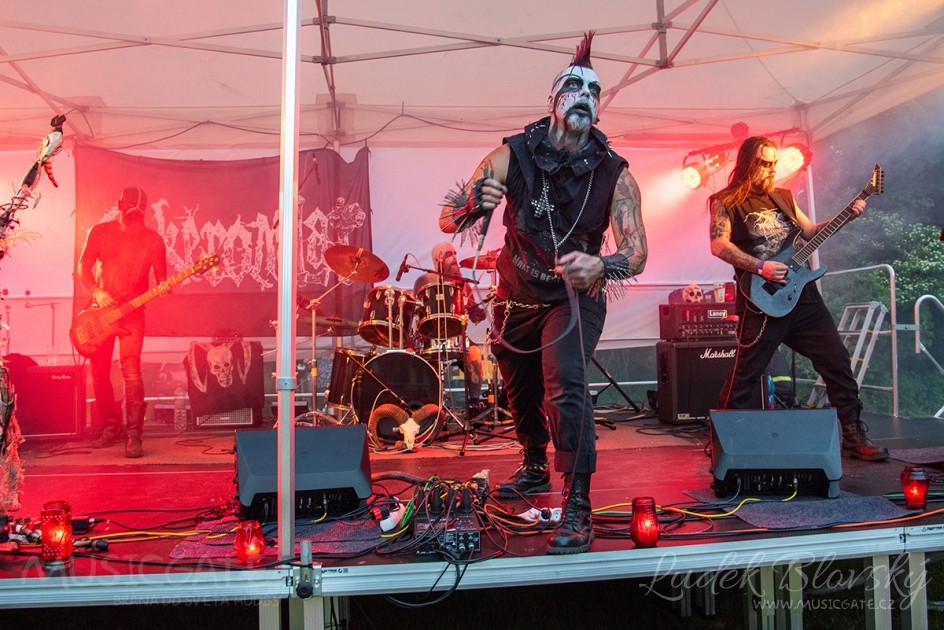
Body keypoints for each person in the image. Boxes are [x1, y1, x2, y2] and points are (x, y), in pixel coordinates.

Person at [438, 32, 648, 554]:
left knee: (566, 383)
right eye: (575, 87)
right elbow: (447, 219)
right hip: (516, 291)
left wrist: (601, 264)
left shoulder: (616, 175)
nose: (585, 96)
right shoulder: (512, 155)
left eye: (594, 92)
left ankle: (578, 502)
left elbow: (638, 252)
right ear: (553, 99)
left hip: (576, 296)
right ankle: (534, 462)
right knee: (519, 384)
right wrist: (476, 202)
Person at [708, 136, 888, 462]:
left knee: (836, 359)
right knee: (746, 374)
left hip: (803, 297)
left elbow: (811, 232)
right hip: (761, 299)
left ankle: (852, 433)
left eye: (774, 163)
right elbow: (719, 245)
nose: (771, 169)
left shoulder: (784, 197)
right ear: (747, 162)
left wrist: (846, 216)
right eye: (764, 163)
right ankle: (724, 438)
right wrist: (761, 267)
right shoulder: (726, 200)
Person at [77, 186, 169, 458]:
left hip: (132, 315)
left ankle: (134, 434)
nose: (136, 209)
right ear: (119, 204)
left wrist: (164, 286)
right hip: (101, 313)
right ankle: (111, 425)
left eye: (141, 206)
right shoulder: (100, 232)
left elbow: (162, 279)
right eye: (131, 204)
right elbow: (83, 267)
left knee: (131, 370)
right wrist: (96, 290)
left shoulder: (153, 240)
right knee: (99, 372)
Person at [412, 242, 487, 410]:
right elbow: (413, 311)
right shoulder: (423, 281)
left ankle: (474, 405)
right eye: (449, 254)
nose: (454, 258)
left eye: (455, 253)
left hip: (456, 336)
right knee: (411, 356)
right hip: (429, 336)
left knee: (475, 353)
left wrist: (478, 314)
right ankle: (425, 407)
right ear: (437, 259)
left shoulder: (463, 284)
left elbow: (472, 313)